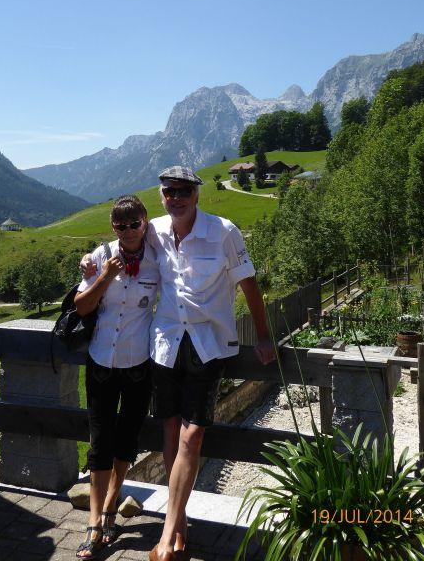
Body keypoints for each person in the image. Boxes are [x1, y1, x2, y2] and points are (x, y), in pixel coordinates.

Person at [82, 167, 275, 561]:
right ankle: (180, 524)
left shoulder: (224, 231)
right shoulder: (154, 229)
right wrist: (90, 260)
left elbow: (249, 283)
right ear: (162, 196)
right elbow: (123, 238)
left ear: (197, 194)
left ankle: (167, 537)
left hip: (208, 343)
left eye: (184, 190)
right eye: (170, 192)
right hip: (166, 343)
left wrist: (264, 336)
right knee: (170, 432)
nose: (177, 198)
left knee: (192, 437)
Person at [74, 195, 159, 559]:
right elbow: (82, 307)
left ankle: (111, 504)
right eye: (121, 225)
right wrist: (105, 275)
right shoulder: (100, 256)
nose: (128, 231)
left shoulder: (158, 258)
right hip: (101, 363)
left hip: (138, 364)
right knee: (100, 440)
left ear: (145, 222)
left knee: (127, 438)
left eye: (135, 223)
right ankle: (95, 521)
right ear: (113, 227)